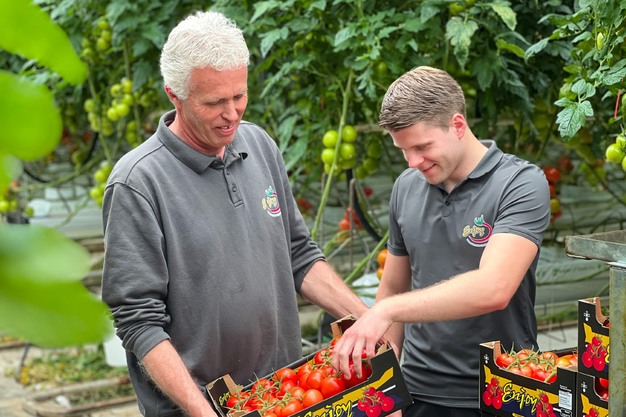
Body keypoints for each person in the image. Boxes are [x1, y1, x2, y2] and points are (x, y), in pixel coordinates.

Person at [100, 10, 368, 417]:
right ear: (174, 95)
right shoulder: (138, 183)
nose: (232, 114)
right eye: (214, 102)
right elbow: (138, 320)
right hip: (200, 407)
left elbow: (297, 254)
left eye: (239, 96)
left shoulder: (258, 145)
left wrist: (365, 317)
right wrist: (202, 410)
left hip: (284, 394)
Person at [331, 66, 551, 417]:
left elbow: (494, 288)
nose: (413, 162)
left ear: (458, 125)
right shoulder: (406, 187)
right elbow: (393, 286)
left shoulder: (519, 183)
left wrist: (386, 311)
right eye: (404, 150)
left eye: (422, 147)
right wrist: (387, 384)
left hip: (502, 388)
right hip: (419, 392)